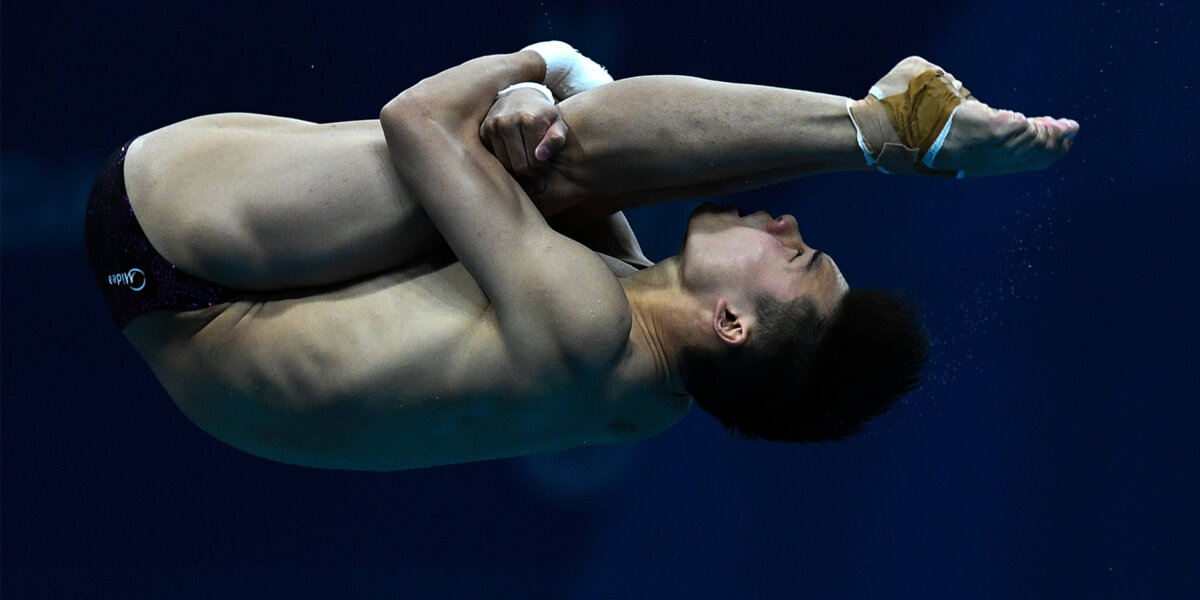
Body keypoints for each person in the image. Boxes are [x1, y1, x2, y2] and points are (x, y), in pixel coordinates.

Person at [84, 42, 1078, 470]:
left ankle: (885, 129)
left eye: (799, 258)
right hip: (198, 322)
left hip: (178, 242)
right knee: (554, 164)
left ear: (733, 324)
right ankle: (882, 130)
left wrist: (535, 70)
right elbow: (579, 214)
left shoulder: (586, 327)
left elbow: (418, 119)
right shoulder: (643, 396)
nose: (784, 228)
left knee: (564, 142)